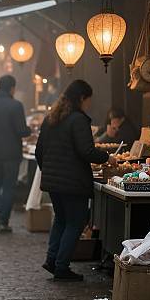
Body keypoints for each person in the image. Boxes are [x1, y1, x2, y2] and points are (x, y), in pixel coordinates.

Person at [35, 80, 117, 281]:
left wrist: (49, 171)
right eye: (89, 100)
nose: (89, 104)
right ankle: (62, 267)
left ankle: (52, 260)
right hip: (73, 183)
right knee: (75, 223)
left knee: (61, 220)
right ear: (82, 98)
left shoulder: (51, 118)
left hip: (54, 182)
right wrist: (108, 157)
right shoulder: (78, 120)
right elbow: (86, 151)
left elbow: (39, 151)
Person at [0, 75, 31, 232]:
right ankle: (4, 222)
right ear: (12, 88)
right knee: (8, 187)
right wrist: (30, 130)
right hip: (12, 155)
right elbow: (21, 130)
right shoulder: (16, 105)